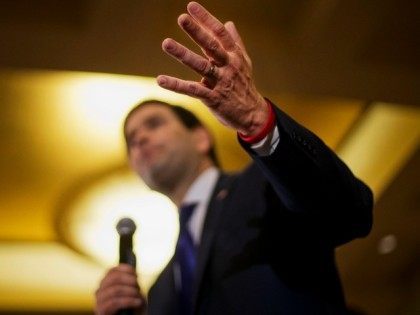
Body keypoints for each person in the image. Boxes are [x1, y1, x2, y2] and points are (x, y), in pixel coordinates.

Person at [95, 2, 373, 315]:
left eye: (154, 124)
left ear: (201, 137)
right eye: (131, 140)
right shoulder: (160, 291)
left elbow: (350, 213)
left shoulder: (264, 184)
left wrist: (258, 120)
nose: (141, 139)